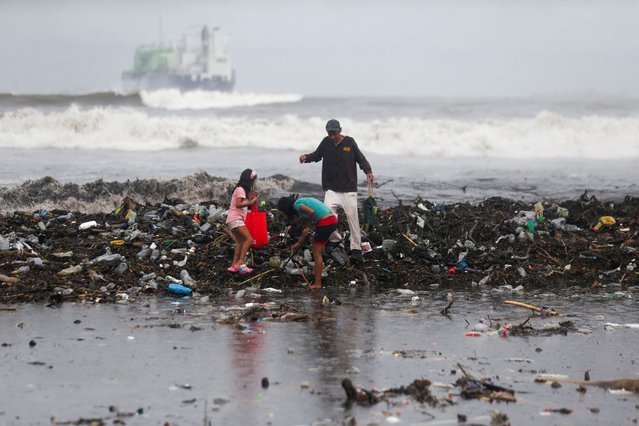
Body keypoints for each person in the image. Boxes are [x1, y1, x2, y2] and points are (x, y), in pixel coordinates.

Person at [299, 119, 374, 262]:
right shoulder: (326, 142)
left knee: (353, 219)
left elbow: (361, 159)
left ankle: (356, 248)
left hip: (348, 189)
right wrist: (306, 158)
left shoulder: (350, 143)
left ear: (340, 130)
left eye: (334, 133)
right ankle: (335, 238)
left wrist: (368, 171)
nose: (332, 137)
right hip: (331, 189)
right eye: (329, 134)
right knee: (326, 216)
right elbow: (317, 155)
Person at [277, 196, 338, 289]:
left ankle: (317, 284)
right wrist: (298, 244)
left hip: (325, 222)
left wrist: (309, 225)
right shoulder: (302, 202)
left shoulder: (297, 205)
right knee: (317, 246)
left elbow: (312, 212)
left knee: (317, 254)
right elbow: (306, 230)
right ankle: (319, 271)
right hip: (332, 220)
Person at [226, 169, 258, 274]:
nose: (254, 182)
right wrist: (251, 202)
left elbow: (241, 202)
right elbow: (238, 204)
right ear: (250, 179)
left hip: (232, 219)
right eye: (254, 180)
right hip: (236, 218)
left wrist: (250, 199)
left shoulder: (241, 190)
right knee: (249, 239)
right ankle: (240, 263)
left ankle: (233, 265)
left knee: (240, 242)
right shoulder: (240, 189)